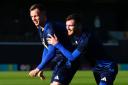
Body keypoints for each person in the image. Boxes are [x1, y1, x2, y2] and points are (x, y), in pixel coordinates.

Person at [47, 13, 118, 85]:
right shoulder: (73, 34)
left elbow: (72, 57)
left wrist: (57, 44)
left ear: (79, 26)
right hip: (96, 69)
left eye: (70, 26)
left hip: (107, 67)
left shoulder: (86, 38)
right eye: (66, 25)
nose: (67, 28)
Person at [28, 3, 79, 85]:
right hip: (61, 61)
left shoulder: (49, 28)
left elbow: (52, 52)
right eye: (32, 17)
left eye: (36, 16)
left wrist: (38, 68)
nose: (33, 19)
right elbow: (46, 48)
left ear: (43, 14)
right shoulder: (40, 28)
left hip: (68, 60)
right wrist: (42, 66)